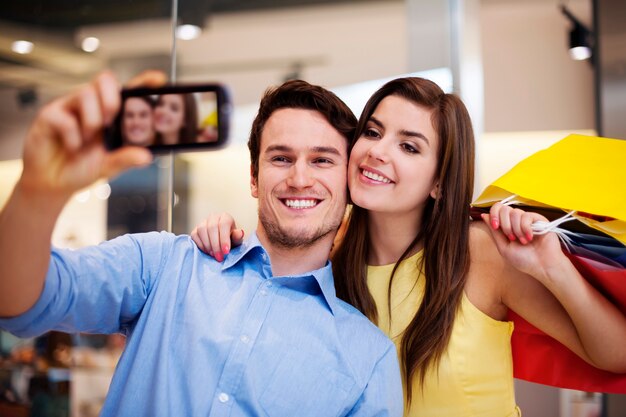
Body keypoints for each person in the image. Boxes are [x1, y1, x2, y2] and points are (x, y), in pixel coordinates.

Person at [191, 77, 626, 416]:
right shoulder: (330, 260)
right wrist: (222, 232)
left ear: (439, 181)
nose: (379, 152)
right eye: (374, 132)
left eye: (409, 146)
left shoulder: (479, 253)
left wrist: (554, 268)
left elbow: (615, 356)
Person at [0, 71, 403, 416]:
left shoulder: (369, 361)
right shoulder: (163, 265)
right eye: (281, 158)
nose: (299, 178)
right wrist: (39, 191)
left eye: (322, 160)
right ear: (253, 177)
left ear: (348, 182)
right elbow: (21, 301)